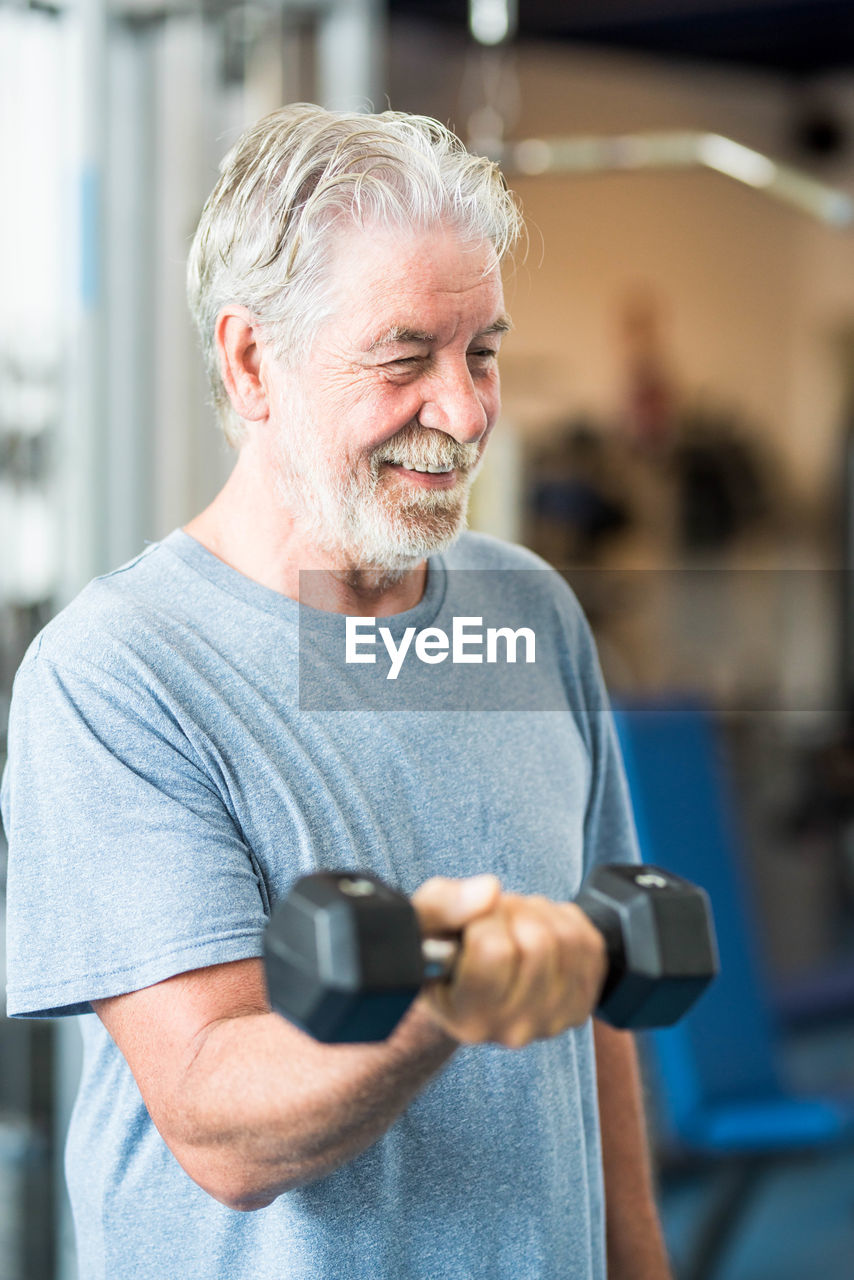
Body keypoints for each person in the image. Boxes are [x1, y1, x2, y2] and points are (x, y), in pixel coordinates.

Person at [2, 104, 670, 1279]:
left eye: (483, 353)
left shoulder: (529, 614)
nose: (463, 412)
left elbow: (599, 1006)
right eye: (405, 357)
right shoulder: (118, 675)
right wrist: (441, 1004)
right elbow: (216, 1114)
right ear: (251, 359)